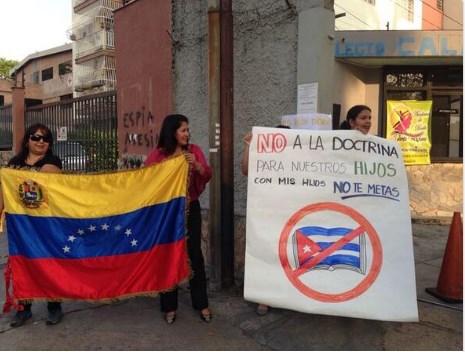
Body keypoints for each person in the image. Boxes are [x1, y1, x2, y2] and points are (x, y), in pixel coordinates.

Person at [145, 114, 212, 324]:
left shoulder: (194, 151)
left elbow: (207, 174)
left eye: (188, 130)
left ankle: (202, 304)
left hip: (190, 207)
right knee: (168, 255)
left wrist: (198, 167)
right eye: (183, 130)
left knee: (194, 254)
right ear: (172, 131)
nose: (187, 134)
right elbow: (146, 179)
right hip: (167, 211)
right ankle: (169, 306)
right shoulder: (158, 154)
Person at [0, 123, 64, 327]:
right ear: (27, 140)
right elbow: (4, 190)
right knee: (22, 265)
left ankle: (54, 307)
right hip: (21, 226)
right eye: (36, 137)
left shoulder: (52, 161)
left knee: (49, 263)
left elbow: (47, 175)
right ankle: (24, 308)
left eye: (45, 139)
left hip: (46, 224)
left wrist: (17, 175)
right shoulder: (14, 163)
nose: (41, 142)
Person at [241, 124, 290, 316]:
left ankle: (284, 294)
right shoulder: (264, 155)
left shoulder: (300, 158)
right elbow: (246, 170)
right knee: (265, 253)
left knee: (286, 254)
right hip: (265, 213)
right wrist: (247, 146)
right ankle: (264, 298)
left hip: (288, 213)